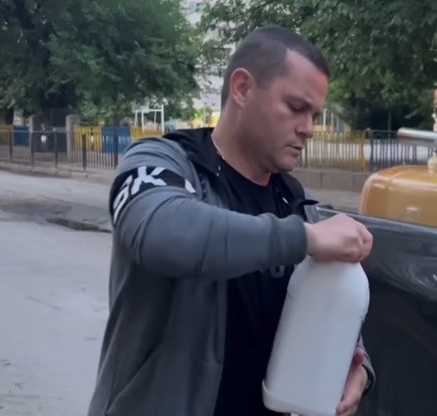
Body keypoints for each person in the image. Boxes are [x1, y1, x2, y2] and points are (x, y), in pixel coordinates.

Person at [87, 25, 376, 416]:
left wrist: (358, 366)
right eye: (295, 107)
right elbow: (161, 233)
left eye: (314, 115)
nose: (308, 129)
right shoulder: (161, 162)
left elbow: (326, 305)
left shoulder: (294, 201)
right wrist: (305, 238)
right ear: (242, 88)